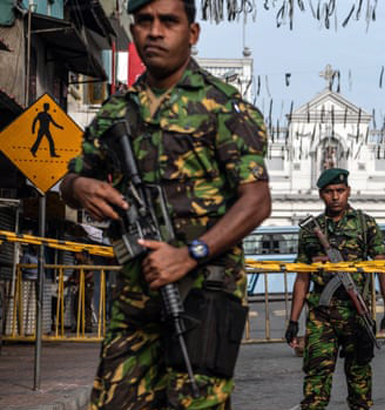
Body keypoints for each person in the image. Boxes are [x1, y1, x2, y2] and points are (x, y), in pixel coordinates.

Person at [59, 0, 271, 407]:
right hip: (138, 294)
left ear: (191, 33)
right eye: (144, 22)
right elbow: (70, 179)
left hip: (205, 294)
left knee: (192, 400)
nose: (155, 31)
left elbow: (257, 200)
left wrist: (191, 254)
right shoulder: (116, 112)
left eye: (169, 21)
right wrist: (80, 186)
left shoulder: (223, 107)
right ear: (134, 30)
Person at [284, 168, 385, 410]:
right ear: (320, 194)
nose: (335, 197)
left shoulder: (365, 224)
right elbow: (302, 276)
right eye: (329, 192)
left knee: (359, 382)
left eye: (340, 191)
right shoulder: (309, 230)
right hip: (320, 316)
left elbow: (383, 269)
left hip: (357, 315)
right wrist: (293, 321)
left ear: (348, 191)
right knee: (315, 381)